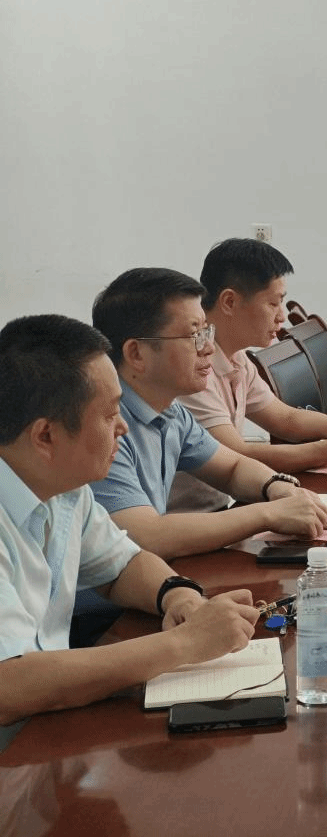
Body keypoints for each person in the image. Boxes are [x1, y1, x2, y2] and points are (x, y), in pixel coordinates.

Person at [0, 315, 259, 752]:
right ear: (45, 435)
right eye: (109, 414)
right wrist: (183, 644)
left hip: (53, 734)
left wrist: (179, 597)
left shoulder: (66, 489)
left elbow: (122, 565)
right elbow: (10, 684)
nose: (123, 427)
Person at [89, 267, 327, 561]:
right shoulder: (102, 427)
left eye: (207, 332)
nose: (208, 348)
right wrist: (269, 514)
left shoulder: (172, 411)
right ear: (136, 354)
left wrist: (278, 488)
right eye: (194, 335)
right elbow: (147, 537)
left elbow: (233, 468)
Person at [170, 238, 327, 511]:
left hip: (219, 510)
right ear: (230, 302)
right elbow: (237, 455)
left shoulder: (237, 357)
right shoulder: (195, 370)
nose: (281, 317)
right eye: (273, 304)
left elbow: (286, 419)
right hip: (191, 518)